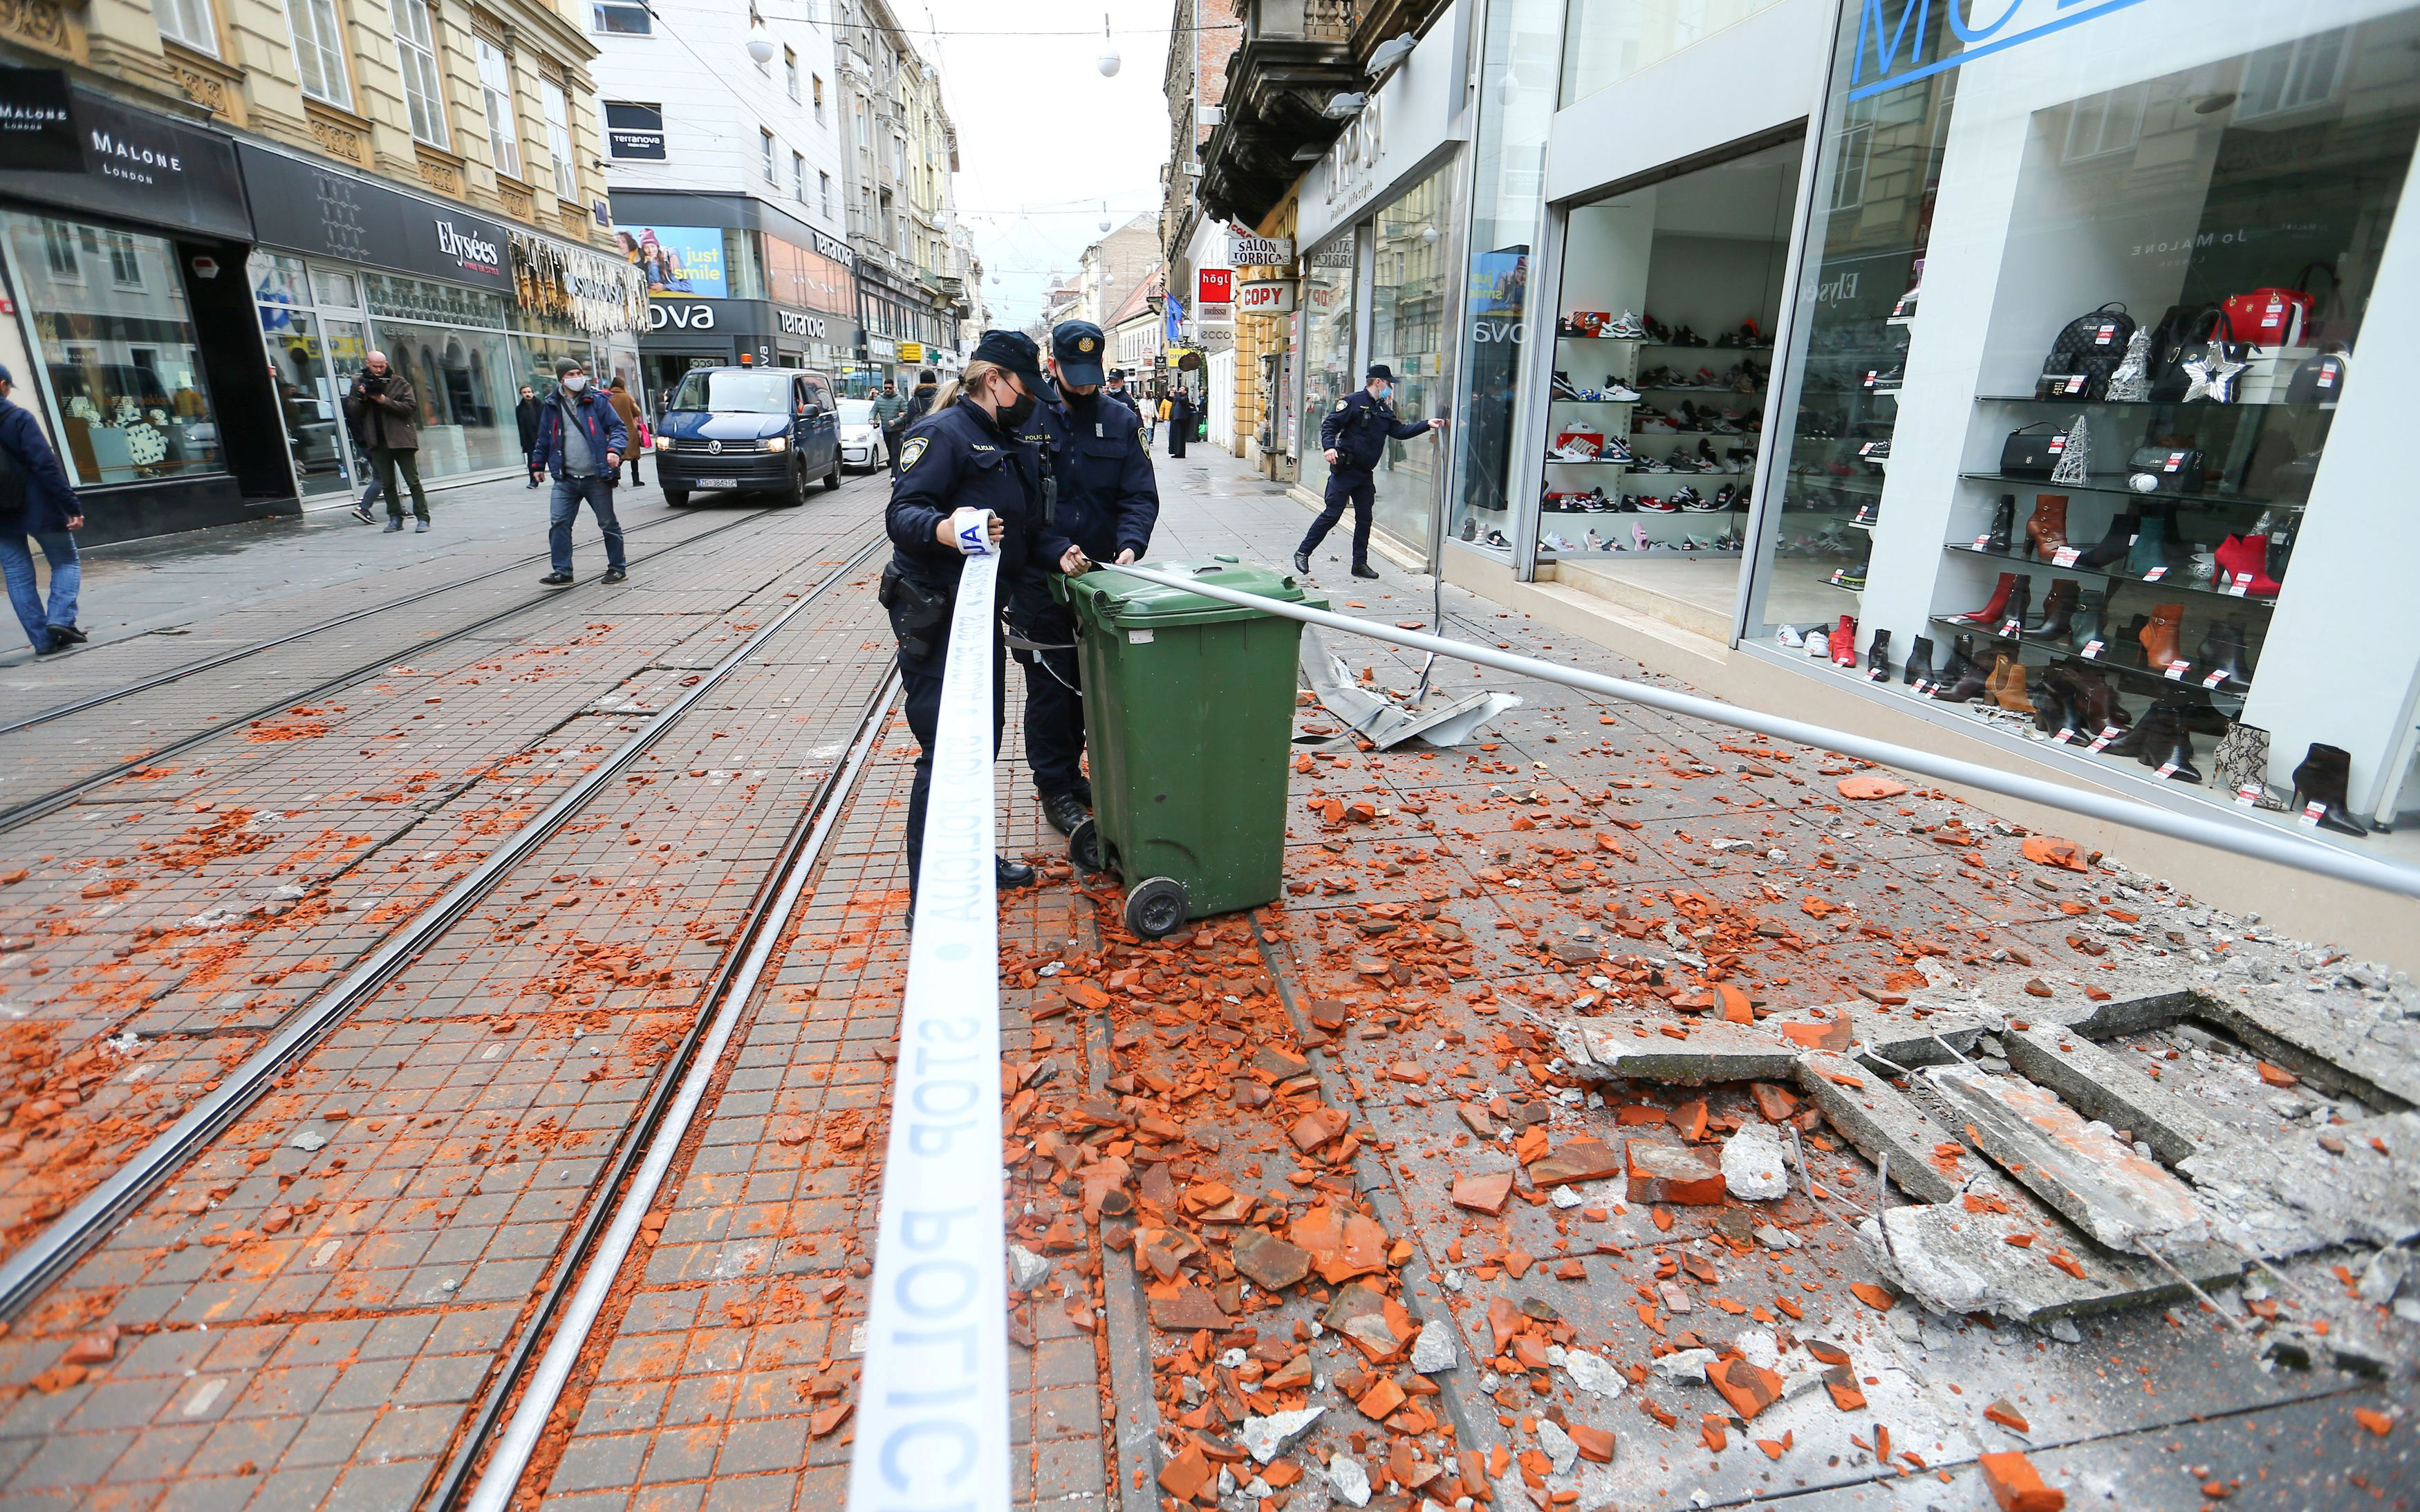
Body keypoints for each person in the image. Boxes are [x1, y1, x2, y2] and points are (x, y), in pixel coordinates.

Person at [881, 330, 1084, 906]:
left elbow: (1025, 527)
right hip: (937, 616)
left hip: (980, 616)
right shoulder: (941, 434)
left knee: (980, 740)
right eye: (1023, 387)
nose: (1030, 401)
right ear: (993, 380)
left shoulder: (1006, 436)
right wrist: (946, 529)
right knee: (944, 748)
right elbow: (904, 514)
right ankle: (930, 900)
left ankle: (970, 856)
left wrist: (1058, 550)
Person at [1012, 321, 1159, 842]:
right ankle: (1055, 785)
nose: (1086, 386)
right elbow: (1017, 502)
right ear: (1053, 367)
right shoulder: (1026, 418)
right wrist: (1054, 550)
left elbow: (1140, 494)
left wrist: (1130, 544)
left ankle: (1081, 776)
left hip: (1100, 578)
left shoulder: (1120, 419)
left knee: (1095, 685)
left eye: (1092, 376)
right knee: (1052, 687)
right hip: (1042, 580)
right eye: (1074, 376)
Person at [1296, 363, 1446, 580]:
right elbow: (1330, 424)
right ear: (1378, 382)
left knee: (1365, 519)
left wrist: (1426, 424)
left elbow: (1400, 432)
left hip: (1365, 475)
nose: (1390, 389)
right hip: (1345, 471)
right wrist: (1329, 447)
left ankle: (1359, 564)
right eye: (1388, 384)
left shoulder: (1384, 410)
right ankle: (1303, 552)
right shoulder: (1352, 402)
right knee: (1332, 514)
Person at [0, 363, 85, 657]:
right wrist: (70, 505)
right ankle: (60, 620)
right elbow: (45, 465)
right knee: (66, 562)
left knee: (16, 574)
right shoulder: (18, 417)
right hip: (38, 507)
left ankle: (43, 641)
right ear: (2, 385)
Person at [531, 357, 629, 587]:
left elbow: (618, 428)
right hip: (565, 477)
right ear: (561, 379)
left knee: (607, 523)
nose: (577, 378)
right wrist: (537, 466)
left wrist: (614, 450)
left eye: (579, 373)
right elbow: (544, 438)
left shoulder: (597, 400)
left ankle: (617, 568)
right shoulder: (552, 404)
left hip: (596, 476)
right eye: (571, 374)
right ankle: (562, 571)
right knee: (559, 522)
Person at [344, 351, 430, 532]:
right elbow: (352, 411)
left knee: (412, 481)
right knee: (387, 483)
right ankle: (395, 518)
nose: (378, 370)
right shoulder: (359, 384)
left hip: (401, 439)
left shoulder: (399, 382)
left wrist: (383, 400)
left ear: (387, 364)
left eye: (382, 366)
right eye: (375, 366)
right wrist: (364, 399)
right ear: (367, 363)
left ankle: (423, 518)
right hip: (377, 440)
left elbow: (410, 408)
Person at [606, 375, 645, 485]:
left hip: (614, 429)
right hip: (630, 429)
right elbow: (637, 412)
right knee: (633, 456)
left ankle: (614, 478)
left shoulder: (608, 397)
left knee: (618, 454)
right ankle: (636, 480)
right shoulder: (627, 397)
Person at [872, 380, 909, 475]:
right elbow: (874, 410)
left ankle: (894, 475)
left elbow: (906, 414)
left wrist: (896, 421)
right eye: (886, 388)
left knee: (895, 453)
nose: (888, 390)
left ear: (893, 387)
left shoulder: (900, 399)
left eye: (890, 388)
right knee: (891, 453)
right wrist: (871, 419)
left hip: (897, 431)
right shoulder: (879, 399)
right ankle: (896, 472)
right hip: (886, 430)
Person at [514, 384, 543, 489]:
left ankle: (558, 479)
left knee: (552, 459)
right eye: (525, 393)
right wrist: (524, 443)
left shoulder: (541, 405)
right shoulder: (519, 409)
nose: (527, 394)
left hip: (543, 437)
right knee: (532, 461)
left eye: (529, 392)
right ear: (521, 394)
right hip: (530, 439)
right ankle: (534, 481)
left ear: (533, 393)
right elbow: (521, 426)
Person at [902, 367, 940, 433]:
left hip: (921, 433)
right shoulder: (942, 396)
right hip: (938, 431)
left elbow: (909, 421)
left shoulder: (915, 400)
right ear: (935, 380)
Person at [1164, 389, 1191, 458]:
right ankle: (1176, 452)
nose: (1180, 390)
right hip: (1175, 419)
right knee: (1174, 437)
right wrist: (1170, 392)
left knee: (1179, 437)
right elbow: (1169, 399)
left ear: (1185, 392)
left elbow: (1180, 400)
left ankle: (1180, 453)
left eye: (1182, 389)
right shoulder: (1177, 398)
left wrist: (1177, 393)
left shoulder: (1185, 399)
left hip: (1181, 420)